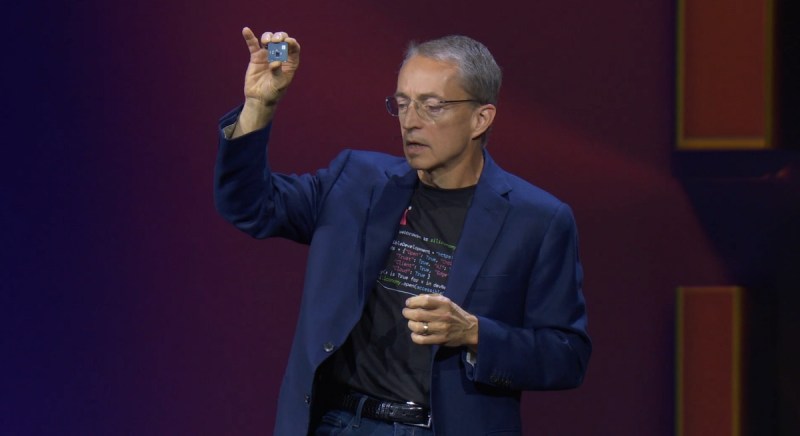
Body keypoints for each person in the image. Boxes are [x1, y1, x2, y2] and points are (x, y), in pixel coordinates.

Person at [215, 27, 591, 436]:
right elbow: (251, 206)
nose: (411, 123)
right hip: (336, 422)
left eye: (432, 107)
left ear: (480, 118)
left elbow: (565, 355)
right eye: (403, 104)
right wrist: (259, 106)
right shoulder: (355, 182)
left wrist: (473, 333)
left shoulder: (536, 219)